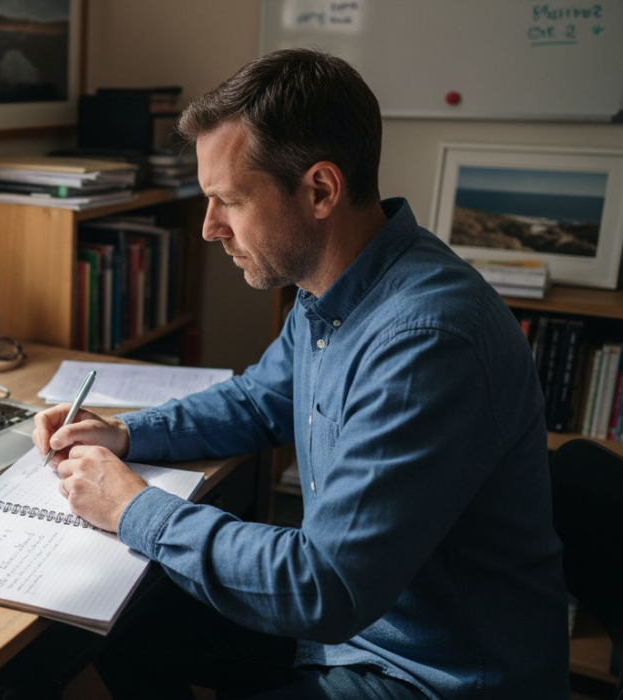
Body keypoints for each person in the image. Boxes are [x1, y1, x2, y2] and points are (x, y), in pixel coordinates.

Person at [32, 49, 568, 699]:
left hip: (430, 673)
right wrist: (124, 435)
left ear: (319, 190)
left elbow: (324, 587)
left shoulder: (427, 343)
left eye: (227, 200)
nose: (208, 229)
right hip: (351, 635)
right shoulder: (333, 287)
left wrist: (132, 507)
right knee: (115, 621)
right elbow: (261, 398)